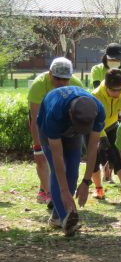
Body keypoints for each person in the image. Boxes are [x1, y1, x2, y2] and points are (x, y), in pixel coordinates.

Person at [37, 86, 105, 236]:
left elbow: (92, 148)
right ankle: (65, 220)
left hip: (71, 131)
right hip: (49, 127)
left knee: (73, 173)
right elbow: (57, 157)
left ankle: (57, 217)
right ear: (70, 113)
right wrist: (64, 191)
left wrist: (86, 181)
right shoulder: (54, 113)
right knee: (60, 173)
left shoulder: (98, 110)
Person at [27, 57, 84, 205]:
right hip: (44, 122)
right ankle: (48, 193)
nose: (62, 83)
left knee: (66, 165)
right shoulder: (38, 85)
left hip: (66, 124)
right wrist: (37, 146)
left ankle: (61, 197)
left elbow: (82, 116)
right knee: (46, 160)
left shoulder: (77, 85)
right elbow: (35, 120)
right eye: (57, 78)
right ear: (50, 74)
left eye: (65, 79)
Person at [90, 69, 121, 200]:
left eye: (120, 89)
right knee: (94, 158)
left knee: (118, 156)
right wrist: (102, 136)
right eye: (114, 90)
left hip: (112, 126)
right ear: (106, 86)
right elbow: (92, 119)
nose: (117, 93)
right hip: (95, 128)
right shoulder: (95, 96)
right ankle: (98, 189)